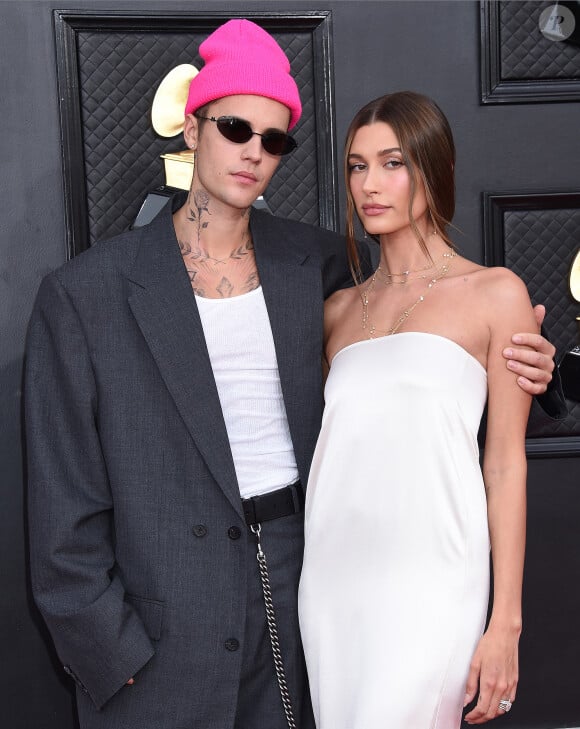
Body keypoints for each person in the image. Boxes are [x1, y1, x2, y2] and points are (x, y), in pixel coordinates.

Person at [24, 19, 558, 729]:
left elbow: (413, 380)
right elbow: (63, 500)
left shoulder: (320, 271)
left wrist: (536, 371)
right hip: (161, 622)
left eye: (274, 140)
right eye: (236, 128)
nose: (253, 152)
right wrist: (107, 650)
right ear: (192, 128)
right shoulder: (88, 293)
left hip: (306, 584)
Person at [298, 91, 541, 728]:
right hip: (333, 584)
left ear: (433, 169)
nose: (370, 185)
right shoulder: (336, 312)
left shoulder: (495, 293)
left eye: (392, 163)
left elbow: (506, 466)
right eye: (356, 166)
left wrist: (504, 621)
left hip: (435, 584)